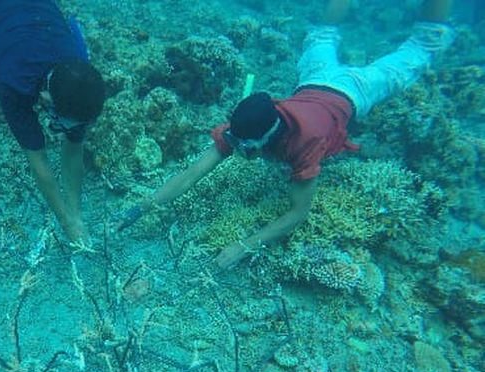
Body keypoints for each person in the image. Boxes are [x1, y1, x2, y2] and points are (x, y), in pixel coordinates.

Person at [117, 0, 455, 269]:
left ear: (269, 139)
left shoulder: (304, 146)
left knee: (425, 44)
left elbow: (297, 212)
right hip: (314, 80)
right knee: (322, 33)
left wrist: (243, 246)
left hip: (355, 92)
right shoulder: (249, 124)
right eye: (233, 141)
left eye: (243, 147)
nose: (236, 149)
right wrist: (144, 206)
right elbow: (193, 173)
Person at [0, 0, 106, 244]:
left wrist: (77, 216)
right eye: (64, 123)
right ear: (44, 98)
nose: (73, 131)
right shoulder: (14, 83)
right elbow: (38, 160)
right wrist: (66, 222)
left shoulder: (78, 65)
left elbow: (75, 148)